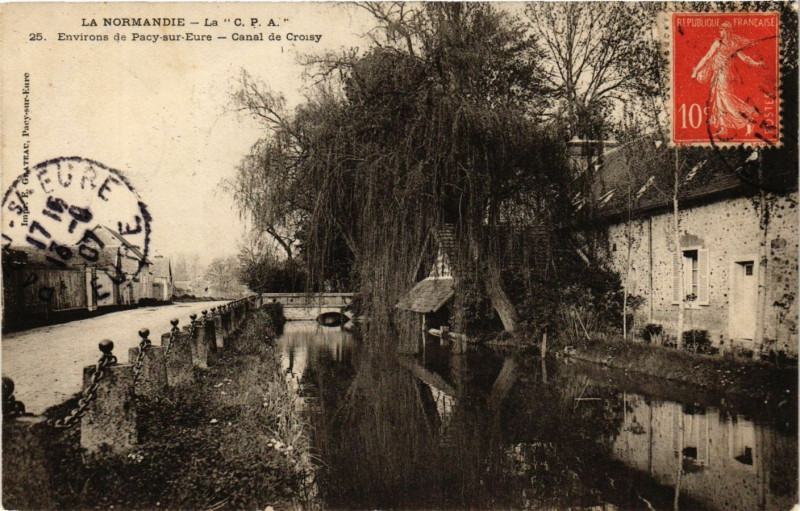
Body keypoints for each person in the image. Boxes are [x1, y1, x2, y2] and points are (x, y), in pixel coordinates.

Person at [691, 21, 765, 137]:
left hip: (723, 75)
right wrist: (756, 63)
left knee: (727, 101)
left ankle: (748, 121)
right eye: (720, 29)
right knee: (718, 102)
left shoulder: (725, 44)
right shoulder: (726, 44)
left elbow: (707, 57)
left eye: (722, 30)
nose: (720, 32)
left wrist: (756, 63)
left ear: (727, 31)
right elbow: (707, 57)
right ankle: (724, 127)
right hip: (719, 75)